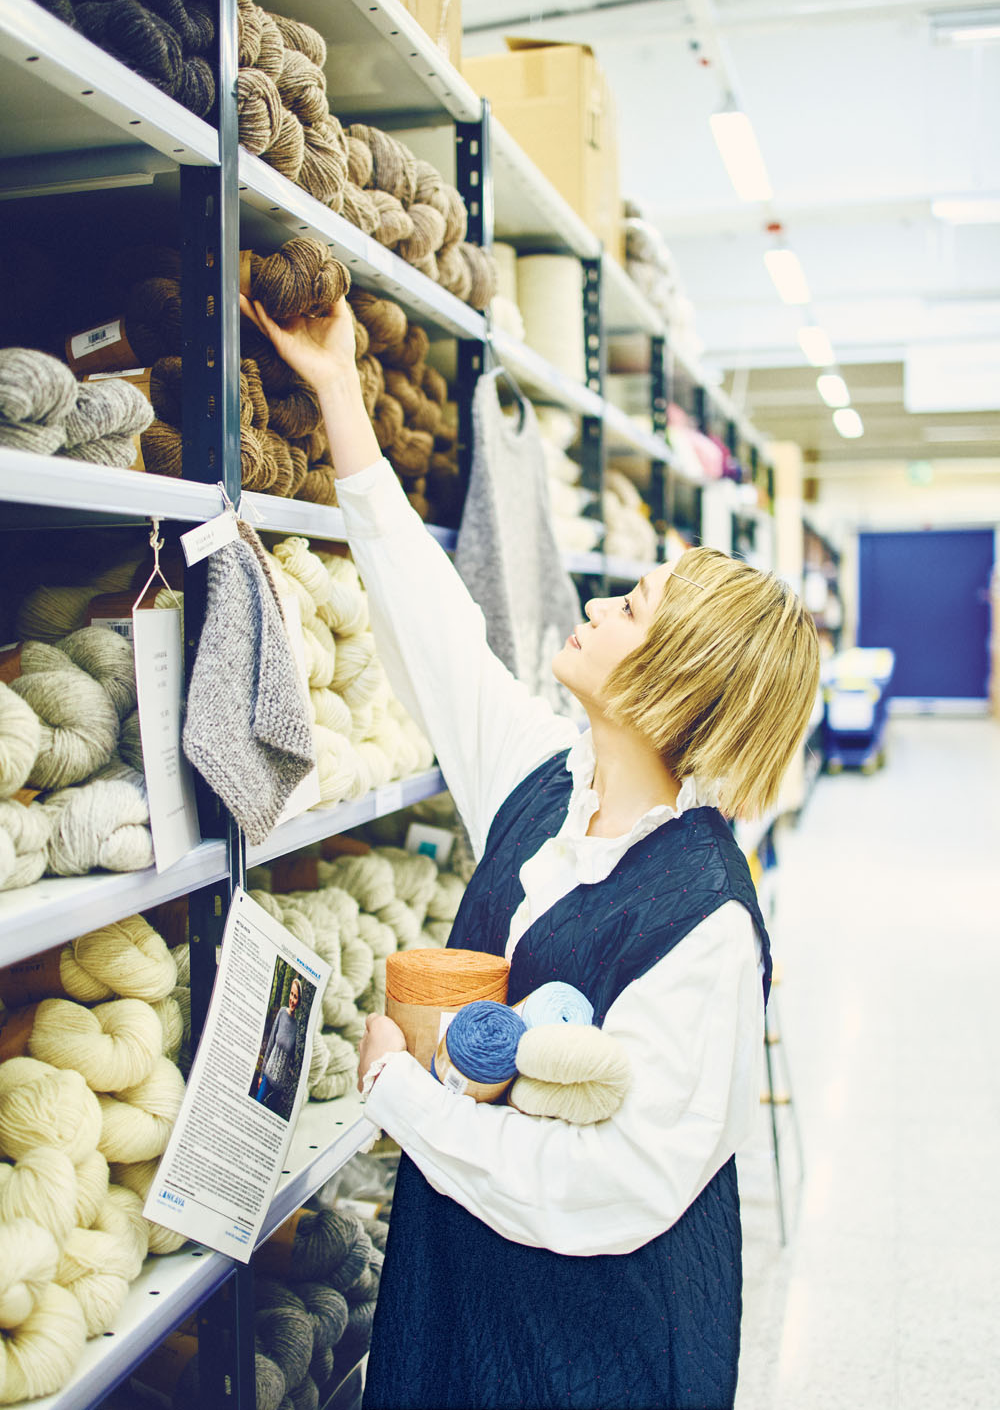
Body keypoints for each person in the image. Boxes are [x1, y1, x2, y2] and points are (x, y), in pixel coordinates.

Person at [240, 291, 820, 1410]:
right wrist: (339, 391)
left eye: (632, 608)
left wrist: (401, 1095)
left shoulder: (705, 919)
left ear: (672, 685)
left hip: (597, 1346)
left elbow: (620, 1185)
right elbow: (439, 641)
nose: (598, 606)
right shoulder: (549, 786)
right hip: (470, 1288)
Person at [255, 976, 301, 1106]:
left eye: (296, 997)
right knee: (257, 1103)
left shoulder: (298, 1027)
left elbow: (293, 1060)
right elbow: (270, 1044)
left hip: (279, 1088)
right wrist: (261, 1075)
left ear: (299, 1001)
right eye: (291, 994)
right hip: (267, 1077)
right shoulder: (281, 1013)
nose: (292, 999)